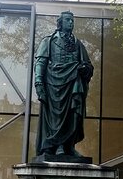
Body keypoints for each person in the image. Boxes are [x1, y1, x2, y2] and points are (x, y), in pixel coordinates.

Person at [34, 11, 93, 157]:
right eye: (68, 20)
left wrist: (85, 69)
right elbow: (41, 62)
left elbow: (88, 65)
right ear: (60, 23)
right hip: (54, 83)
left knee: (73, 115)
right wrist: (39, 82)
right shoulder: (48, 41)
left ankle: (68, 146)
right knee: (56, 117)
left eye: (72, 20)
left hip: (73, 83)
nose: (71, 23)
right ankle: (54, 145)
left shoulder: (78, 44)